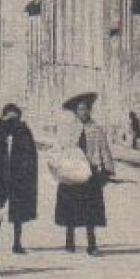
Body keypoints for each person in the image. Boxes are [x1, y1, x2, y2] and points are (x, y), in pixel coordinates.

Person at [54, 91, 115, 255]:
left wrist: (107, 171)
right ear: (75, 111)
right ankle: (69, 240)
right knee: (70, 207)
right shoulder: (67, 129)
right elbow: (60, 149)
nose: (83, 112)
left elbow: (104, 150)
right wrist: (59, 167)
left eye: (86, 109)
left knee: (91, 210)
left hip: (91, 173)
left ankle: (92, 244)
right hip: (72, 172)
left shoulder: (97, 129)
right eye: (80, 109)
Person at [0, 103, 39, 254]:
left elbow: (30, 153)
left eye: (16, 118)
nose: (13, 121)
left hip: (18, 176)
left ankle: (17, 243)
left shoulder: (23, 131)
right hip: (1, 175)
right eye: (10, 117)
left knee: (17, 212)